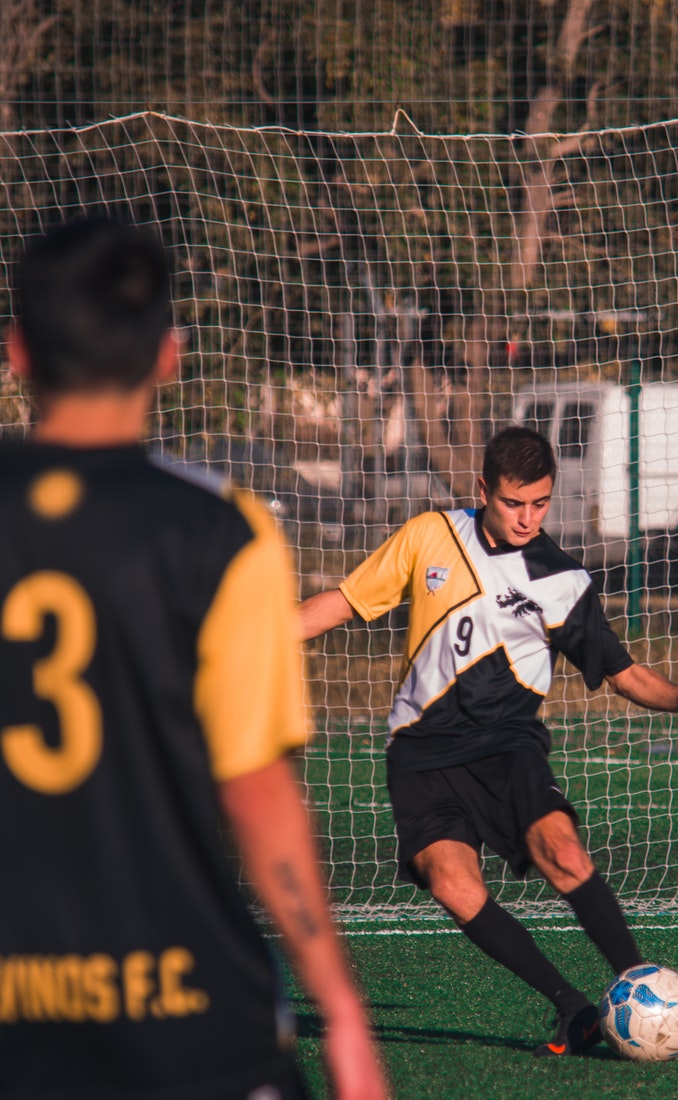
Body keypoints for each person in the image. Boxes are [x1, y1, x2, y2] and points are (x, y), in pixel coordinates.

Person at [0, 217, 387, 1099]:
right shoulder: (221, 531)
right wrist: (343, 1009)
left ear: (19, 351)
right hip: (184, 1006)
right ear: (169, 357)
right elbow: (255, 790)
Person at [300, 425, 678, 1058]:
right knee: (451, 882)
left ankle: (648, 990)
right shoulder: (431, 534)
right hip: (419, 752)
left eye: (540, 502)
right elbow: (343, 603)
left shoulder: (562, 581)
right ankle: (575, 1012)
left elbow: (623, 673)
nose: (528, 517)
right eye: (514, 503)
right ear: (484, 489)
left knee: (560, 848)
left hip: (507, 743)